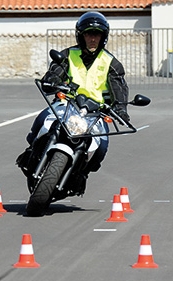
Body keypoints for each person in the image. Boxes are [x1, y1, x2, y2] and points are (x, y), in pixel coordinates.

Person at [21, 11, 130, 194]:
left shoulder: (111, 63)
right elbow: (55, 72)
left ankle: (81, 174)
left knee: (101, 147)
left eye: (97, 34)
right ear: (81, 35)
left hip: (96, 113)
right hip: (67, 103)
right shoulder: (68, 55)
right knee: (42, 119)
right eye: (89, 34)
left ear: (103, 37)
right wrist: (52, 80)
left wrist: (121, 109)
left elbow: (119, 89)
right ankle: (31, 153)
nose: (93, 38)